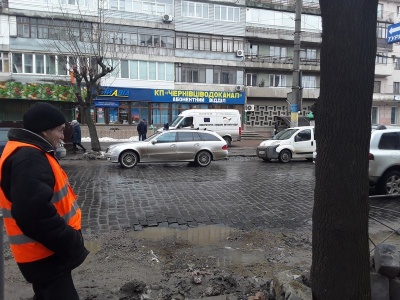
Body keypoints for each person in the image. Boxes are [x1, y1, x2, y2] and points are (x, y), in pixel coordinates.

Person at [0, 102, 89, 300]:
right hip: (45, 253)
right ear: (45, 131)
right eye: (59, 130)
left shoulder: (27, 152)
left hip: (42, 253)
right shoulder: (29, 157)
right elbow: (32, 214)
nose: (62, 136)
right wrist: (69, 241)